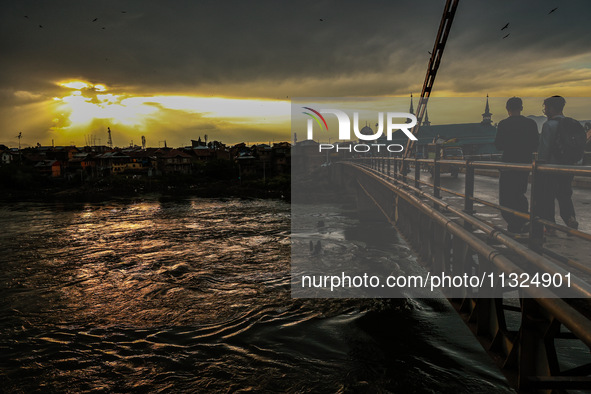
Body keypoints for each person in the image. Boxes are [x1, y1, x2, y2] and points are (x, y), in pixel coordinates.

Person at [495, 97, 539, 233]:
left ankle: (514, 224)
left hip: (508, 164)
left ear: (507, 109)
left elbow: (498, 145)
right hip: (524, 163)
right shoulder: (531, 124)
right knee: (520, 193)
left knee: (506, 197)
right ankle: (523, 220)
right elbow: (536, 145)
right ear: (521, 108)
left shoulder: (503, 124)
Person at [538, 95, 578, 231]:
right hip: (568, 166)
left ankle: (550, 226)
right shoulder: (571, 123)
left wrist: (540, 166)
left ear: (551, 108)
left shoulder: (548, 125)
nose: (545, 111)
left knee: (547, 197)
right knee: (565, 194)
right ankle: (570, 218)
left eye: (546, 108)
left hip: (551, 168)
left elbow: (544, 149)